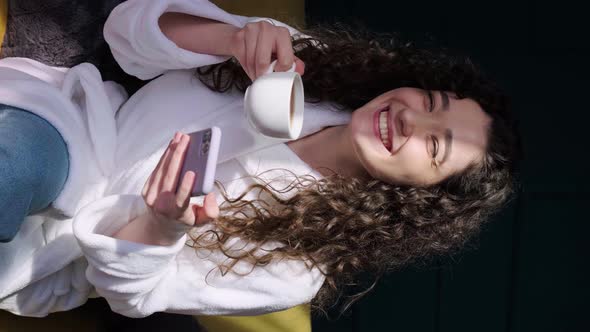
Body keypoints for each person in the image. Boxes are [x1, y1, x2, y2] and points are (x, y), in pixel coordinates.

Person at [0, 0, 520, 318]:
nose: (413, 120)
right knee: (16, 161)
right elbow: (127, 33)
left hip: (52, 255)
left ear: (420, 196)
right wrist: (232, 38)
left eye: (434, 145)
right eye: (431, 104)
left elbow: (131, 296)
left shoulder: (296, 269)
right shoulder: (308, 63)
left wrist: (161, 227)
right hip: (69, 133)